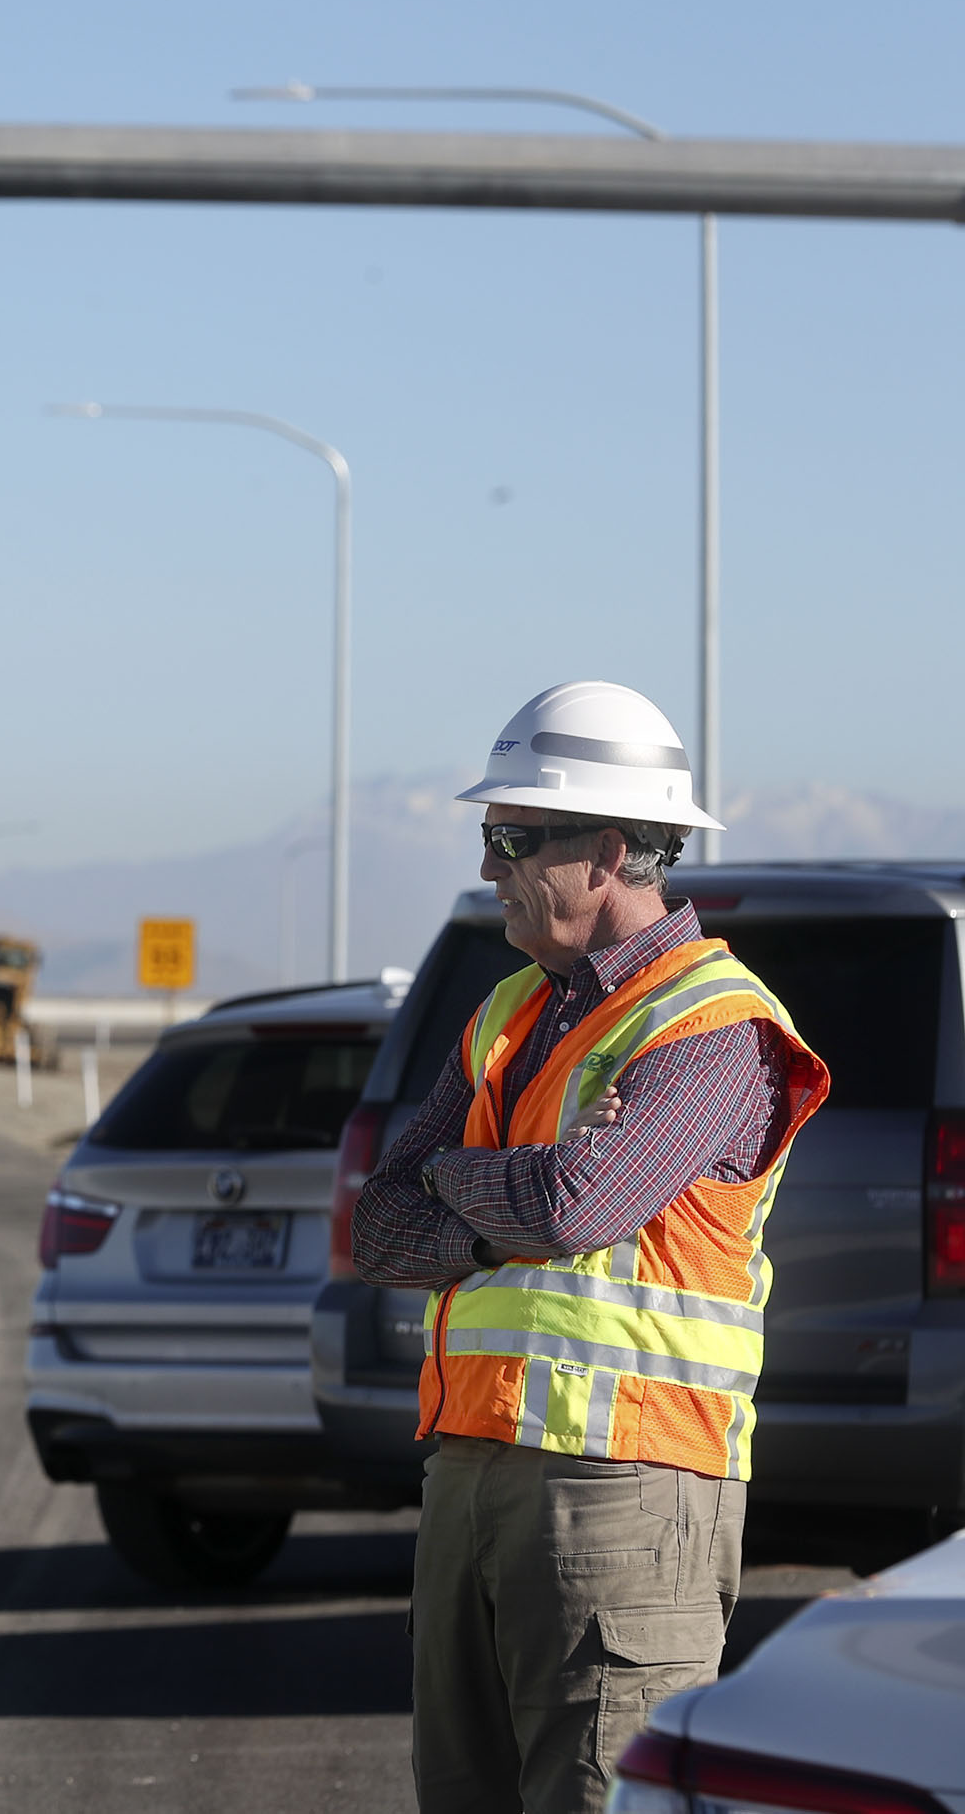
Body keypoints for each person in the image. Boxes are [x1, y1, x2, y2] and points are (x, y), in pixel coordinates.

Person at [354, 682, 829, 1814]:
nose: (489, 867)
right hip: (470, 1468)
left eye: (511, 838)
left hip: (627, 1491)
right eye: (490, 836)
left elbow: (579, 1207)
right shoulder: (507, 1010)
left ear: (611, 849)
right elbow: (379, 1222)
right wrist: (501, 1190)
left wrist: (460, 1180)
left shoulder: (715, 1026)